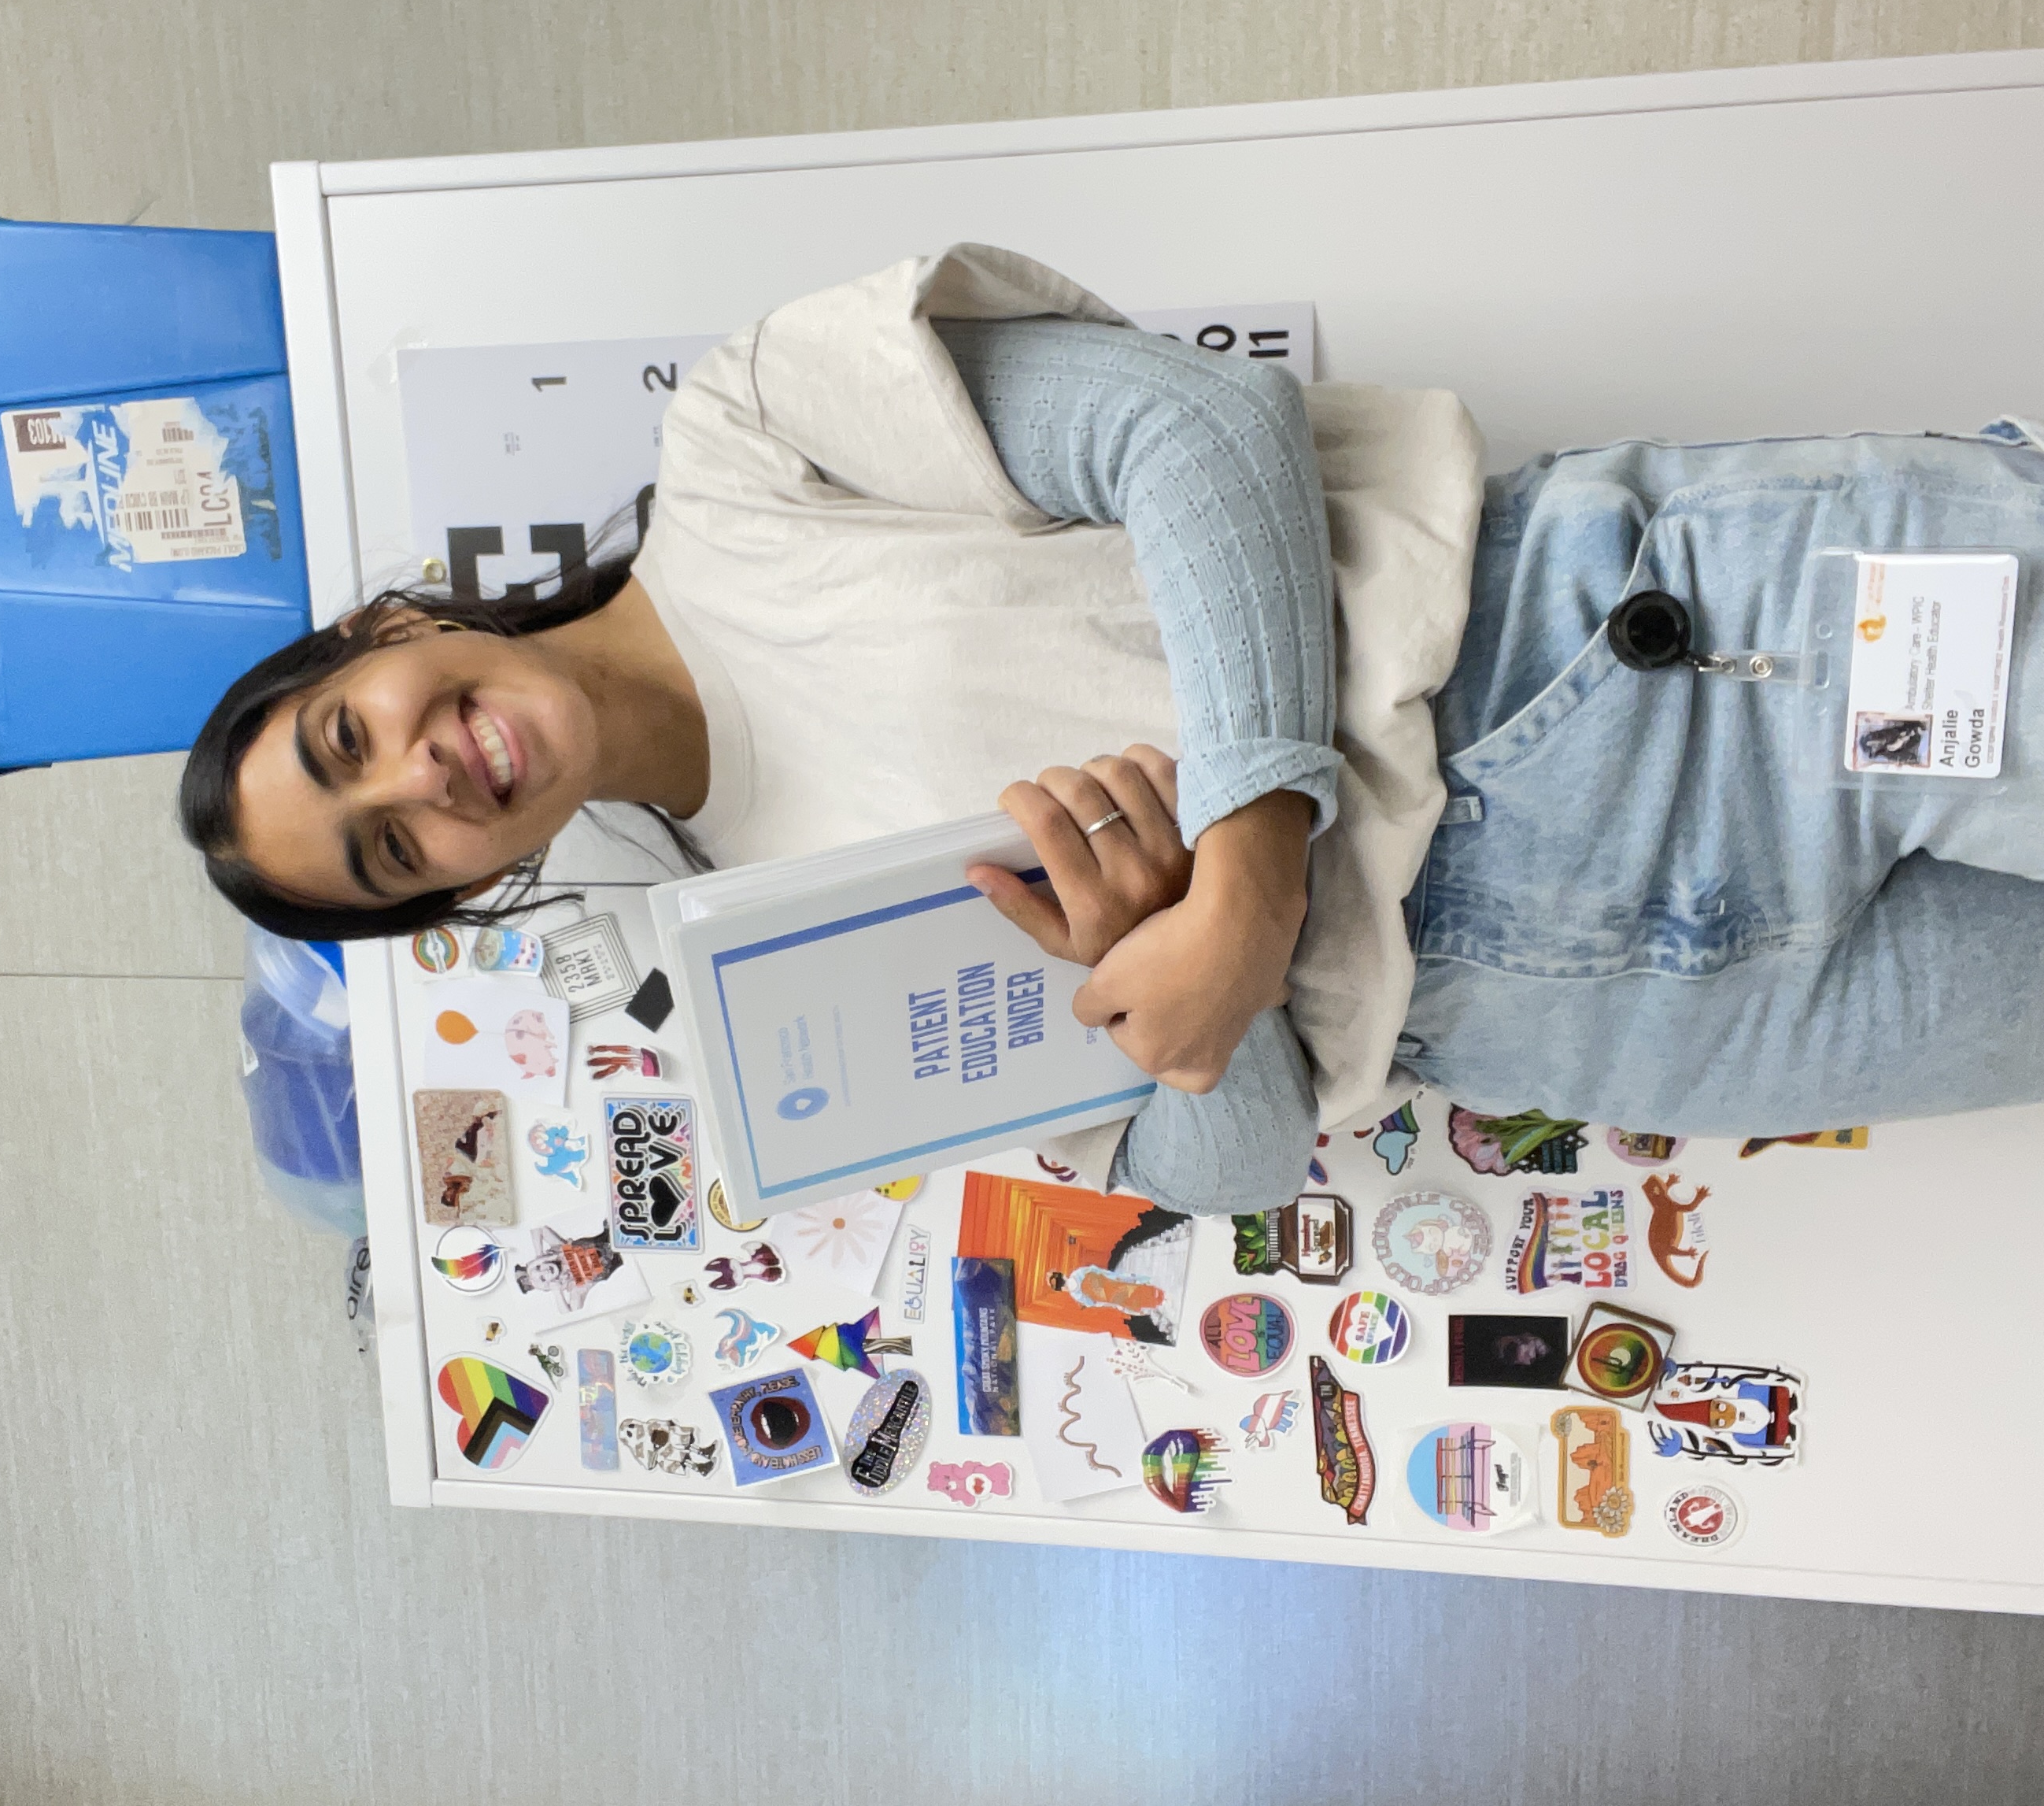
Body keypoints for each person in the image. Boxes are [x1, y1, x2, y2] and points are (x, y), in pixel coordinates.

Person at [179, 245, 2044, 1213]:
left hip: (1644, 675)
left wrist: (1235, 875)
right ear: (464, 891)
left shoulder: (744, 445)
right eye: (391, 855)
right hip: (1597, 1011)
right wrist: (1156, 989)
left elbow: (1192, 432)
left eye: (349, 739)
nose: (422, 780)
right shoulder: (779, 964)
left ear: (384, 632)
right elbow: (1219, 1168)